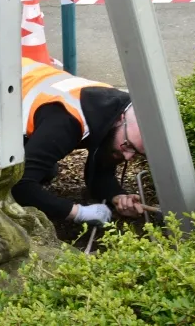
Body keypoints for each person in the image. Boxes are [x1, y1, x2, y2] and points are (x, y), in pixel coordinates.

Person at [12, 57, 147, 227]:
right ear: (121, 119)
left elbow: (100, 169)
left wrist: (116, 196)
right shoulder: (67, 120)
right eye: (128, 146)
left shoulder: (113, 109)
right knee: (34, 172)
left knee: (44, 167)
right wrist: (77, 212)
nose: (127, 156)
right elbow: (19, 184)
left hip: (22, 80)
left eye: (136, 153)